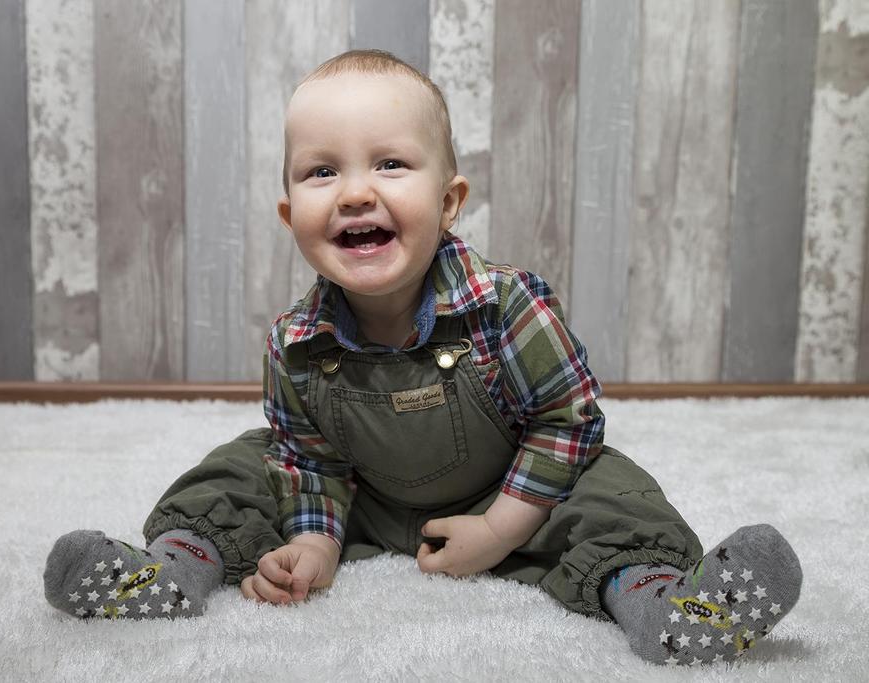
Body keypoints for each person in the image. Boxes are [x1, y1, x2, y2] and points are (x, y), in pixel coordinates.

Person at [44, 49, 801, 666]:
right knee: (244, 464)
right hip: (368, 499)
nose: (354, 192)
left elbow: (567, 419)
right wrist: (314, 537)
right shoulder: (294, 342)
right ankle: (172, 569)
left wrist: (501, 530)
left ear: (448, 201)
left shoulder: (508, 305)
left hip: (511, 490)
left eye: (391, 165)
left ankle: (668, 605)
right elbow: (308, 455)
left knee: (610, 491)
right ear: (290, 215)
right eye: (321, 172)